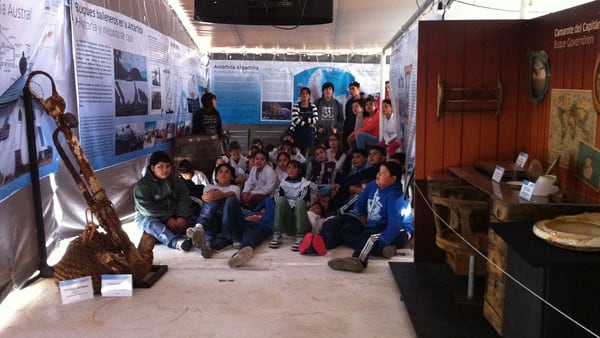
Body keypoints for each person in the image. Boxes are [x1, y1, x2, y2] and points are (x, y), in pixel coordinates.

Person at [321, 161, 413, 273]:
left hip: (397, 230)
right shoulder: (373, 185)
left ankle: (358, 260)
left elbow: (394, 225)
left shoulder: (396, 197)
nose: (378, 174)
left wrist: (381, 242)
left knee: (371, 237)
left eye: (383, 173)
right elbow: (361, 204)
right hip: (375, 226)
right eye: (379, 171)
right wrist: (364, 222)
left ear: (393, 179)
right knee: (348, 234)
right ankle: (387, 249)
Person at [133, 151, 198, 251]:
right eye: (160, 166)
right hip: (152, 217)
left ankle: (195, 236)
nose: (165, 170)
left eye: (168, 166)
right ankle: (177, 242)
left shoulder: (177, 181)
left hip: (174, 216)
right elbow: (147, 208)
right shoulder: (142, 186)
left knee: (196, 217)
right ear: (152, 168)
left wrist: (182, 216)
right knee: (151, 224)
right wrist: (167, 218)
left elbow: (184, 198)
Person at [187, 163, 243, 257]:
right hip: (213, 219)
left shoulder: (235, 188)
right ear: (216, 176)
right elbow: (205, 198)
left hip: (229, 220)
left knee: (230, 200)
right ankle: (204, 242)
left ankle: (223, 236)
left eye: (227, 172)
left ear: (232, 177)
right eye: (220, 171)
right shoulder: (208, 187)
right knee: (211, 201)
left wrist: (220, 195)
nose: (223, 174)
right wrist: (206, 196)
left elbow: (231, 195)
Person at [269, 160, 313, 251]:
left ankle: (301, 237)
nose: (291, 170)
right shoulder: (283, 183)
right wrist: (287, 208)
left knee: (300, 202)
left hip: (301, 221)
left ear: (300, 170)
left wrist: (290, 207)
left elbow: (303, 199)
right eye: (289, 167)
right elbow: (277, 198)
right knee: (280, 200)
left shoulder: (304, 184)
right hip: (288, 222)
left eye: (294, 167)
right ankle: (277, 235)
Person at [228, 197, 275, 268]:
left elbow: (268, 200)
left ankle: (242, 252)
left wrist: (259, 212)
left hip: (260, 227)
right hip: (246, 225)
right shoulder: (247, 212)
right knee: (231, 202)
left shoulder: (269, 213)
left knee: (251, 233)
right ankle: (243, 250)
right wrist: (255, 213)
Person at [289, 87, 318, 157]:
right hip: (298, 136)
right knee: (298, 158)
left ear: (309, 96)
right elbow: (295, 120)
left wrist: (303, 118)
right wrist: (308, 123)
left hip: (310, 136)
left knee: (307, 158)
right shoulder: (296, 106)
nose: (305, 95)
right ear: (300, 95)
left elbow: (315, 119)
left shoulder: (313, 106)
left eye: (307, 93)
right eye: (303, 93)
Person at [314, 82, 344, 147]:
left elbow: (341, 119)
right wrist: (317, 127)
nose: (328, 91)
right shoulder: (317, 102)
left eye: (330, 89)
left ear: (333, 91)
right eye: (326, 89)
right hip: (320, 135)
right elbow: (312, 117)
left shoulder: (337, 104)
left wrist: (336, 128)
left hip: (333, 135)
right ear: (322, 91)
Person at [342, 81, 362, 151]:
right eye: (350, 89)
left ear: (358, 89)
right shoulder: (349, 102)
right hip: (349, 128)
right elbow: (347, 115)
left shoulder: (364, 101)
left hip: (360, 129)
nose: (351, 91)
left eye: (353, 89)